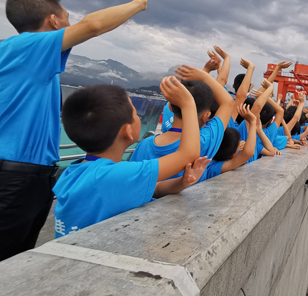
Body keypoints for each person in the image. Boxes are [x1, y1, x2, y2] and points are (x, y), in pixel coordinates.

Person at [0, 0, 147, 260]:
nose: (71, 24)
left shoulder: (18, 56)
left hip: (24, 177)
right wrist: (138, 4)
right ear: (54, 20)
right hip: (14, 178)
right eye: (67, 17)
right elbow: (92, 25)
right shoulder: (28, 47)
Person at [53, 78, 204, 237]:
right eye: (135, 113)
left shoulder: (74, 171)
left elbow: (155, 188)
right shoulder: (113, 175)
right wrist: (188, 104)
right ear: (128, 131)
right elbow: (188, 154)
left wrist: (182, 182)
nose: (138, 117)